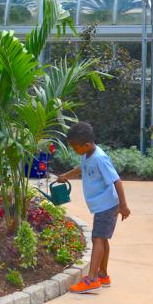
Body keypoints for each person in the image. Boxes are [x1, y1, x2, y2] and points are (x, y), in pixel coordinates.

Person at [53, 121, 131, 294]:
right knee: (102, 239)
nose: (75, 150)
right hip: (102, 205)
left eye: (75, 147)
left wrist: (124, 206)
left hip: (108, 205)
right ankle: (103, 274)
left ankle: (92, 278)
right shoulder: (87, 155)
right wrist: (66, 175)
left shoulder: (100, 158)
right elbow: (82, 168)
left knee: (97, 239)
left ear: (86, 145)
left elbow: (116, 180)